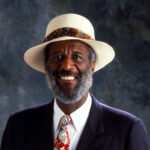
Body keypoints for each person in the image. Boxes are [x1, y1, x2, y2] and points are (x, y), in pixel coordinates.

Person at [1, 13, 150, 150]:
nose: (67, 66)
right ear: (46, 65)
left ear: (92, 64)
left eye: (77, 56)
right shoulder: (18, 126)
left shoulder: (127, 130)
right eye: (58, 57)